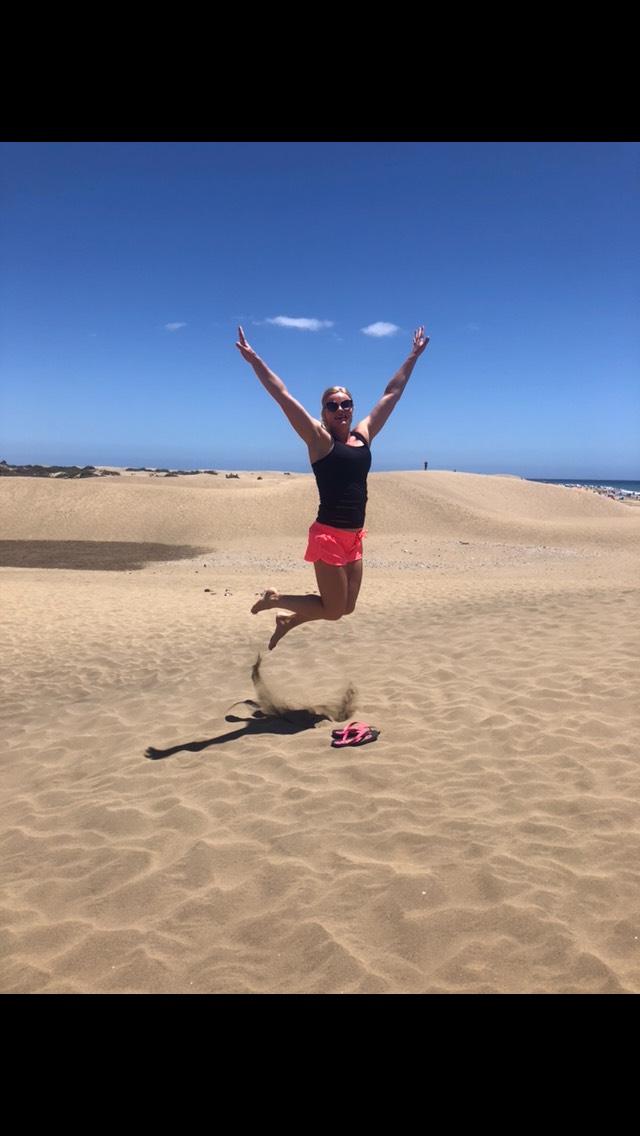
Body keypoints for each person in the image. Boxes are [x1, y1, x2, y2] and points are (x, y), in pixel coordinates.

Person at [235, 323, 430, 649]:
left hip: (354, 537)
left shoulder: (363, 435)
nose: (340, 409)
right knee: (334, 609)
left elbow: (391, 394)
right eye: (332, 405)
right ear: (324, 413)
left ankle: (287, 621)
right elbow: (283, 396)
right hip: (328, 535)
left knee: (345, 607)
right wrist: (255, 360)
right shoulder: (318, 440)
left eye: (346, 404)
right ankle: (274, 600)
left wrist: (413, 356)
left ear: (352, 408)